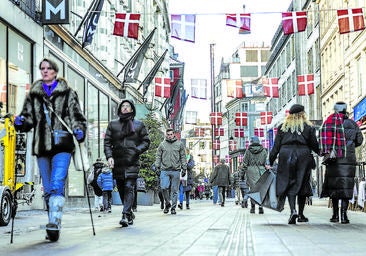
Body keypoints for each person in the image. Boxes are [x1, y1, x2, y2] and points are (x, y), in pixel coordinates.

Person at [14, 57, 87, 241]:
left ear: (55, 71)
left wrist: (79, 130)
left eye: (48, 68)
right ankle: (52, 223)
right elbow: (28, 119)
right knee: (47, 189)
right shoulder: (34, 94)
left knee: (56, 184)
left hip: (62, 145)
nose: (45, 71)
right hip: (42, 147)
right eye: (42, 68)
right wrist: (20, 123)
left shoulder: (68, 93)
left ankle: (55, 221)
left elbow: (77, 116)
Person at [269, 104, 320, 224]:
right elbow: (314, 144)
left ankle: (293, 211)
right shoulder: (308, 127)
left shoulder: (282, 127)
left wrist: (270, 161)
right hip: (303, 155)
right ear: (302, 114)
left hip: (286, 155)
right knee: (302, 184)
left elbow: (275, 147)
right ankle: (301, 214)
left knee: (289, 184)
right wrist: (321, 153)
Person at [104, 99, 150, 227]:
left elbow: (146, 141)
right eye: (123, 106)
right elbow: (107, 142)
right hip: (118, 162)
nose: (125, 108)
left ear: (132, 109)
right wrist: (109, 157)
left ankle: (125, 214)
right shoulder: (113, 124)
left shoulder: (138, 125)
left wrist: (137, 150)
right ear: (119, 109)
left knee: (129, 186)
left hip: (132, 161)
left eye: (127, 106)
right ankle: (129, 211)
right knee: (121, 188)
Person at [320, 101, 363, 224]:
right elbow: (359, 140)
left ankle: (335, 215)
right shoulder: (353, 124)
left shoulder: (329, 123)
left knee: (334, 187)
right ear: (345, 111)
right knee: (345, 187)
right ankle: (344, 216)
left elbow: (323, 140)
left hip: (333, 160)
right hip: (348, 160)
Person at [155, 128, 187, 215]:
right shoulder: (162, 145)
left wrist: (184, 168)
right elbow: (158, 156)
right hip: (164, 170)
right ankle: (167, 203)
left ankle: (173, 207)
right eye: (168, 134)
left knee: (174, 190)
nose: (169, 136)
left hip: (175, 170)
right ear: (166, 135)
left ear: (174, 134)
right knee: (164, 187)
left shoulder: (179, 144)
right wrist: (157, 167)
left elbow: (183, 157)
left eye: (171, 134)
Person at [242, 136, 268, 214]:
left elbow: (245, 164)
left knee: (253, 190)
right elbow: (265, 163)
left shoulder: (248, 151)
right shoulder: (263, 151)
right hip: (261, 171)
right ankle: (260, 207)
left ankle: (252, 208)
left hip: (251, 172)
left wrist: (242, 174)